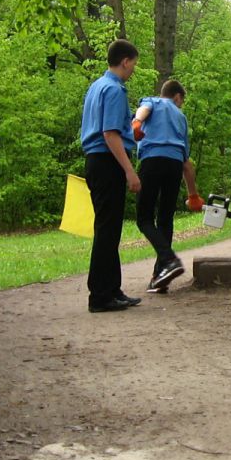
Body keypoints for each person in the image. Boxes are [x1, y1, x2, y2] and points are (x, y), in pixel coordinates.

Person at [80, 39, 142, 313]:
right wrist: (129, 170)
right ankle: (100, 296)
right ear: (125, 61)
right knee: (107, 230)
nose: (133, 71)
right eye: (134, 65)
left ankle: (112, 289)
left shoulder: (96, 86)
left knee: (109, 227)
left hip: (95, 161)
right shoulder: (115, 90)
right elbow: (110, 133)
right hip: (108, 161)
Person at [133, 79, 203, 293]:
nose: (180, 105)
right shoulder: (180, 118)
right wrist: (193, 194)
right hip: (174, 165)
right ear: (177, 96)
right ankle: (159, 276)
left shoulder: (152, 101)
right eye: (182, 101)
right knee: (165, 218)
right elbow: (187, 165)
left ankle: (168, 259)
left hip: (152, 161)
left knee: (144, 218)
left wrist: (136, 123)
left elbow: (144, 109)